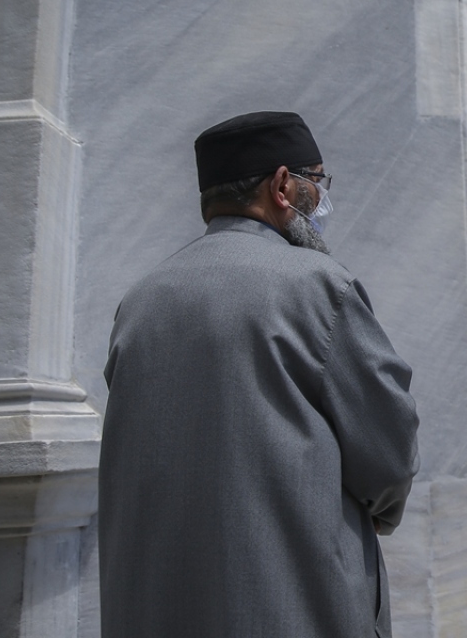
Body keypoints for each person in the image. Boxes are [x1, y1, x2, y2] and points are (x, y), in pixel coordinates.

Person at [99, 111, 420, 638]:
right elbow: (390, 453)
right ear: (281, 186)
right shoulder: (317, 287)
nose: (319, 201)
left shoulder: (139, 303)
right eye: (314, 182)